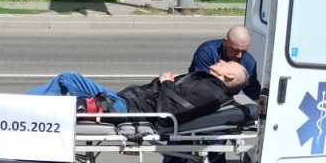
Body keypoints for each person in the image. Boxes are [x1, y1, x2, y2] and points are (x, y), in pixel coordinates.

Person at [150, 25, 261, 163]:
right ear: (224, 41)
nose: (239, 55)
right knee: (174, 160)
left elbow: (254, 92)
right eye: (235, 49)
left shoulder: (249, 63)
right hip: (190, 111)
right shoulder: (207, 51)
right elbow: (203, 89)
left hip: (217, 115)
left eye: (244, 51)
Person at [26, 60, 249, 125]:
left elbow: (165, 117)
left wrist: (166, 83)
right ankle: (24, 106)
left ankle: (20, 109)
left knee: (70, 88)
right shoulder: (208, 85)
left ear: (228, 77)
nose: (221, 60)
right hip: (126, 101)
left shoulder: (209, 93)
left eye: (227, 63)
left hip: (127, 108)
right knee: (67, 77)